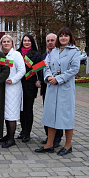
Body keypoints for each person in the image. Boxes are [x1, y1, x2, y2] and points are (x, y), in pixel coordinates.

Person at [35, 28, 80, 156]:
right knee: (50, 116)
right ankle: (49, 144)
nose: (63, 38)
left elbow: (74, 69)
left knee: (66, 116)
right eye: (61, 36)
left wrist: (58, 79)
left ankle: (67, 145)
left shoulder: (74, 52)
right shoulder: (53, 51)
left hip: (65, 87)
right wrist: (48, 77)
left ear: (70, 38)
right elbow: (46, 66)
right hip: (52, 87)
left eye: (66, 36)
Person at [0, 35, 26, 148]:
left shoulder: (16, 55)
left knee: (12, 114)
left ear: (12, 43)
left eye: (8, 41)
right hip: (3, 87)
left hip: (13, 88)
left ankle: (11, 139)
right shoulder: (1, 55)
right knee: (6, 113)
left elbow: (22, 70)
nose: (6, 43)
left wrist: (13, 80)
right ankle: (7, 135)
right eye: (3, 41)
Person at [16, 34, 42, 143]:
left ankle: (27, 132)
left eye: (29, 41)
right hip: (17, 84)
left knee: (28, 109)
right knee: (20, 110)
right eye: (24, 40)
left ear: (32, 42)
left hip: (30, 85)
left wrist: (39, 79)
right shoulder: (17, 53)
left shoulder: (36, 54)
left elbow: (39, 69)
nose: (26, 42)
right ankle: (22, 130)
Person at [40, 33, 63, 147]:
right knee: (48, 113)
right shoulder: (43, 56)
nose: (50, 42)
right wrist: (39, 80)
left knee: (57, 113)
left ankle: (57, 138)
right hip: (46, 87)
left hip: (58, 87)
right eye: (48, 40)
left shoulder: (60, 54)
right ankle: (49, 137)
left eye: (52, 40)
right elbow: (41, 70)